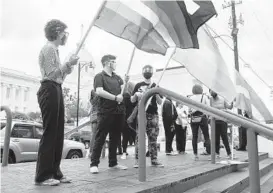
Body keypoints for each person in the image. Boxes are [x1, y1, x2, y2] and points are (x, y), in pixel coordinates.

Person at [35, 19, 79, 186]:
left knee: (58, 133)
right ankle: (43, 176)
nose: (65, 36)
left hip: (56, 88)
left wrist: (68, 66)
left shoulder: (55, 50)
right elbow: (52, 74)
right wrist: (67, 64)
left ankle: (55, 171)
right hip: (49, 89)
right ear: (57, 32)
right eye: (63, 32)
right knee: (50, 133)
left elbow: (60, 76)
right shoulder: (48, 49)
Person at [90, 54, 128, 174]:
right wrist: (115, 98)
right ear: (107, 63)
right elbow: (99, 91)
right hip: (105, 111)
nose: (115, 63)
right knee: (100, 137)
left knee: (115, 138)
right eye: (113, 61)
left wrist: (126, 82)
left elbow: (124, 91)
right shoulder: (99, 76)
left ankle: (113, 163)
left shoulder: (117, 77)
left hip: (119, 112)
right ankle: (94, 164)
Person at [131, 65, 164, 168]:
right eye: (145, 70)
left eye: (149, 70)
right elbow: (132, 100)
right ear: (142, 72)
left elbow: (160, 102)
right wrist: (136, 95)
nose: (147, 72)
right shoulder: (138, 85)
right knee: (139, 137)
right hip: (142, 114)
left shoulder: (156, 85)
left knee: (153, 138)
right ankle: (138, 160)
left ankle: (154, 160)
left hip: (153, 114)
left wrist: (156, 92)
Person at [188, 84, 211, 161]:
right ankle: (209, 152)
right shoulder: (204, 97)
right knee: (206, 136)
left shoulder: (190, 97)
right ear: (201, 89)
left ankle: (195, 155)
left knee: (194, 136)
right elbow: (208, 107)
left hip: (194, 118)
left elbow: (189, 110)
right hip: (203, 117)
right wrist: (208, 116)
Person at [209, 89, 233, 159]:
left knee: (224, 137)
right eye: (211, 92)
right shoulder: (210, 100)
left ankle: (229, 153)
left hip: (223, 121)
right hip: (214, 121)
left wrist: (232, 102)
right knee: (216, 138)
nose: (212, 93)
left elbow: (230, 107)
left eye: (213, 91)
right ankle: (217, 153)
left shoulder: (223, 99)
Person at [121, 82, 136, 159]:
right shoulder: (129, 97)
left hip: (124, 118)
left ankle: (124, 152)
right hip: (131, 118)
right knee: (134, 135)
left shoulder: (123, 96)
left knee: (125, 136)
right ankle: (137, 152)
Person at [89, 90, 99, 157]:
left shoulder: (92, 101)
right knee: (98, 135)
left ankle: (91, 152)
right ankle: (94, 152)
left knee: (93, 135)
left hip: (92, 117)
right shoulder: (98, 96)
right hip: (97, 116)